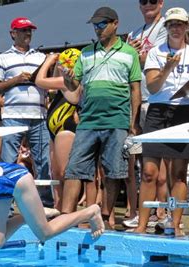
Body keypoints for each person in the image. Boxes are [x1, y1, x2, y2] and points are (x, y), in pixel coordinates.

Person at [61, 7, 141, 228]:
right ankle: (66, 217)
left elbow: (135, 90)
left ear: (115, 23)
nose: (97, 29)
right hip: (88, 121)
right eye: (95, 25)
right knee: (74, 169)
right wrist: (66, 78)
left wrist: (133, 124)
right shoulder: (86, 53)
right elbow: (74, 86)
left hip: (117, 120)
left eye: (102, 24)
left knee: (113, 172)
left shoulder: (129, 53)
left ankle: (105, 217)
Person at [131, 8, 189, 236]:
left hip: (185, 112)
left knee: (178, 172)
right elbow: (153, 87)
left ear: (186, 27)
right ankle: (142, 225)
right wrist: (167, 68)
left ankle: (175, 225)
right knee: (149, 172)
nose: (176, 28)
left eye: (180, 24)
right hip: (158, 111)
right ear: (166, 28)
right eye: (171, 24)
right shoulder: (156, 52)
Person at [0, 17, 54, 208]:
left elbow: (50, 83)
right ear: (13, 33)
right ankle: (5, 204)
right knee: (9, 161)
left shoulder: (41, 57)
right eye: (23, 30)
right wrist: (15, 80)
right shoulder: (3, 58)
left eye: (29, 30)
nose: (27, 34)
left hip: (39, 115)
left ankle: (45, 203)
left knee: (43, 162)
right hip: (13, 115)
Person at [124, 0, 168, 228]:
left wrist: (132, 52)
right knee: (143, 161)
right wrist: (132, 52)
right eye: (143, 1)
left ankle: (163, 211)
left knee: (162, 163)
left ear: (161, 2)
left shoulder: (165, 27)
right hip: (139, 100)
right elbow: (130, 61)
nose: (147, 4)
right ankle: (149, 210)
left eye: (152, 0)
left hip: (158, 100)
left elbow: (150, 60)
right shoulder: (134, 32)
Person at [35, 49, 81, 211]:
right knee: (56, 173)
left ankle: (68, 209)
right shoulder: (61, 82)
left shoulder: (66, 82)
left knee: (64, 173)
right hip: (56, 130)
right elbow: (51, 88)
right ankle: (59, 205)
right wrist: (55, 65)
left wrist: (49, 60)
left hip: (65, 129)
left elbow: (39, 81)